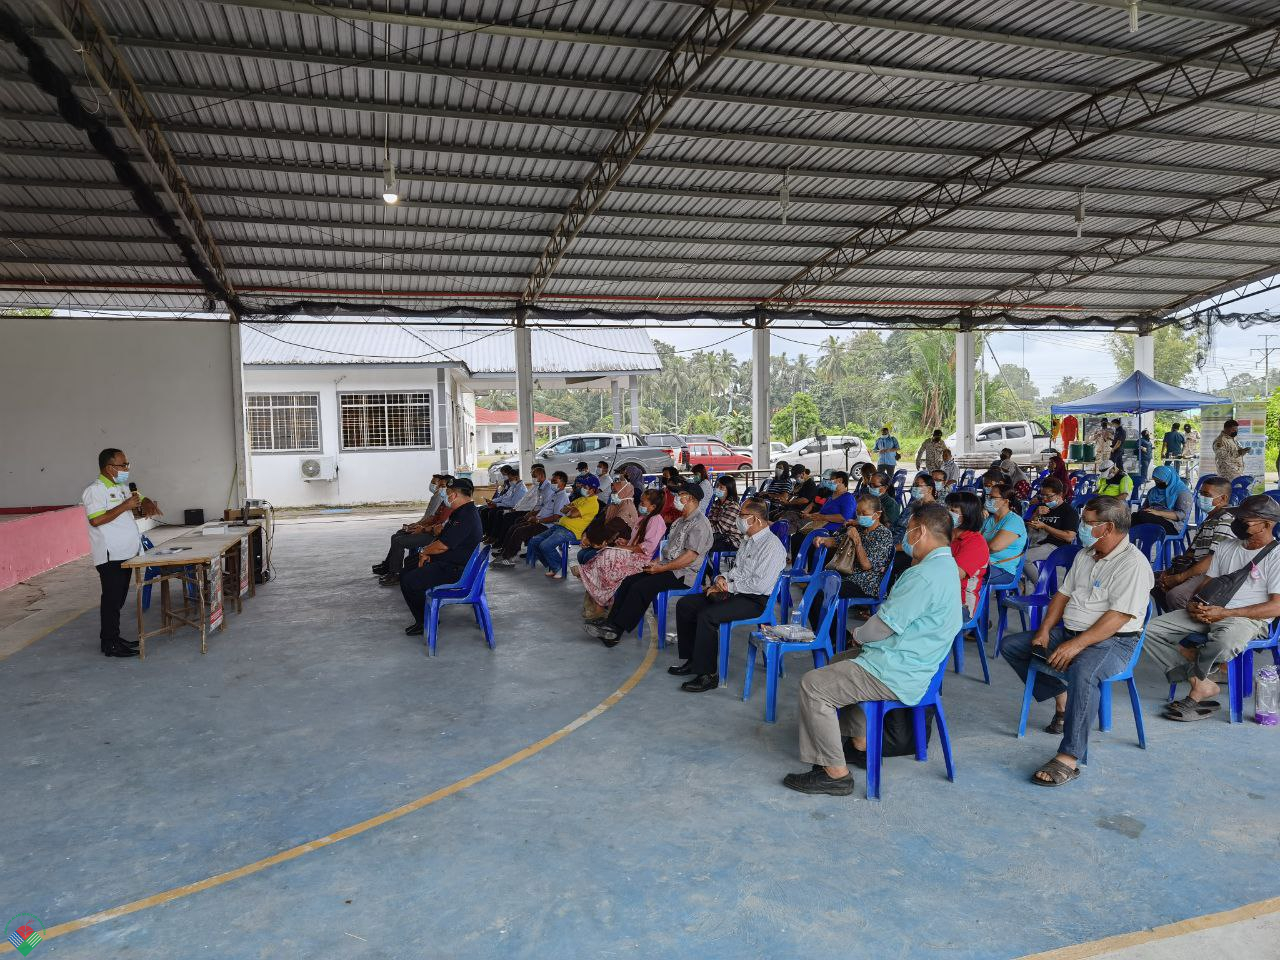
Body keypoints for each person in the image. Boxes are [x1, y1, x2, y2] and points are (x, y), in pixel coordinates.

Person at [782, 503, 962, 796]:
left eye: (909, 531)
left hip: (898, 669)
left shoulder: (923, 576)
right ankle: (860, 742)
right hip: (915, 659)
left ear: (921, 531)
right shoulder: (946, 566)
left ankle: (835, 774)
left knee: (814, 686)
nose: (905, 537)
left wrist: (859, 634)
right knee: (838, 662)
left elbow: (882, 628)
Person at [1000, 496, 1153, 786]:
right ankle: (1064, 702)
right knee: (1015, 647)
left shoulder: (1133, 564)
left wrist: (1077, 645)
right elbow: (1062, 595)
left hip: (1114, 641)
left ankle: (1069, 757)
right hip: (1069, 632)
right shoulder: (1086, 553)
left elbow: (1119, 617)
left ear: (1107, 528)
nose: (1081, 527)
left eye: (1087, 523)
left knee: (1083, 672)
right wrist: (1045, 629)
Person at [1144, 495, 1280, 721]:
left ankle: (1197, 678)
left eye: (1245, 520)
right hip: (1210, 611)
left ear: (1266, 524)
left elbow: (1276, 607)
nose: (1238, 523)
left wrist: (1226, 613)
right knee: (1147, 631)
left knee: (1225, 643)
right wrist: (1194, 603)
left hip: (1246, 618)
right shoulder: (1227, 547)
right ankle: (1201, 680)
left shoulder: (1276, 556)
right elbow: (1207, 584)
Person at [670, 500, 788, 693]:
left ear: (755, 519)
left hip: (756, 600)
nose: (738, 520)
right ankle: (693, 660)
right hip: (736, 592)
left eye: (742, 516)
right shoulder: (748, 540)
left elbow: (760, 585)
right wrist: (721, 578)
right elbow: (736, 570)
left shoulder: (772, 547)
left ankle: (707, 675)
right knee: (686, 604)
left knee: (707, 616)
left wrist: (727, 588)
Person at [587, 483, 714, 647]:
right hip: (668, 566)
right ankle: (610, 623)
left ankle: (615, 631)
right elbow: (669, 550)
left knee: (642, 587)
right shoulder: (680, 521)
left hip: (683, 574)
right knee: (629, 581)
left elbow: (689, 557)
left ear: (690, 498)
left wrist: (662, 568)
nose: (676, 498)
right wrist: (657, 562)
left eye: (679, 494)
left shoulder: (700, 524)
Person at [83, 448, 162, 658]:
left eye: (127, 464)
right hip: (110, 555)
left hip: (127, 552)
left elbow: (140, 498)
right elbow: (96, 520)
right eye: (123, 465)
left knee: (118, 600)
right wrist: (125, 505)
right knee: (111, 600)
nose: (127, 468)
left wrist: (147, 503)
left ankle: (115, 637)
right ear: (109, 468)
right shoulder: (95, 490)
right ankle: (109, 643)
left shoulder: (123, 487)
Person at [400, 478, 483, 636]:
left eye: (449, 493)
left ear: (456, 495)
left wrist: (425, 552)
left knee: (409, 581)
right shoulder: (461, 512)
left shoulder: (466, 516)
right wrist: (428, 553)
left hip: (456, 570)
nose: (447, 496)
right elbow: (442, 538)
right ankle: (424, 614)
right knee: (409, 566)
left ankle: (425, 620)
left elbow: (443, 545)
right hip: (451, 561)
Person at [807, 492, 894, 633]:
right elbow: (838, 540)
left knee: (822, 593)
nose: (860, 516)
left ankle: (835, 638)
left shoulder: (883, 534)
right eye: (858, 512)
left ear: (877, 514)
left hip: (867, 582)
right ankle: (825, 635)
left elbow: (866, 566)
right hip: (848, 576)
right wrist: (823, 540)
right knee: (812, 588)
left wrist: (857, 541)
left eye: (864, 512)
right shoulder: (860, 528)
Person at [579, 489, 668, 620]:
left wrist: (625, 548)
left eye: (643, 503)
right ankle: (598, 601)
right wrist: (625, 542)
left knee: (607, 557)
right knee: (605, 556)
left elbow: (646, 548)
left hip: (641, 560)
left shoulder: (656, 521)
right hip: (633, 555)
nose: (640, 505)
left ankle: (598, 599)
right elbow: (635, 541)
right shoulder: (642, 518)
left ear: (653, 507)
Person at [1152, 478, 1235, 611]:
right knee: (1155, 581)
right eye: (1201, 493)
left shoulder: (1226, 520)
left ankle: (1188, 624)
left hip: (1212, 573)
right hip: (1197, 567)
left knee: (1176, 596)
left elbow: (1211, 560)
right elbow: (1191, 552)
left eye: (1207, 495)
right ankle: (1174, 619)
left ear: (1223, 498)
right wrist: (1170, 572)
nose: (1201, 498)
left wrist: (1179, 578)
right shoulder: (1209, 519)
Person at [373, 472, 453, 585]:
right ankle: (390, 567)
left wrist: (422, 529)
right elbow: (432, 518)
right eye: (439, 485)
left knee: (399, 541)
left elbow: (440, 528)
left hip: (434, 536)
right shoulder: (445, 502)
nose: (440, 488)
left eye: (443, 486)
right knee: (396, 536)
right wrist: (417, 525)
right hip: (429, 530)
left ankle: (395, 573)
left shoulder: (450, 504)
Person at [528, 473, 600, 579]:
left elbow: (571, 513)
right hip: (560, 526)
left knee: (545, 545)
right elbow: (564, 509)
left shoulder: (592, 503)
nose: (582, 488)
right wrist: (570, 510)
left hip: (571, 531)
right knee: (534, 541)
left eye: (585, 487)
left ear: (592, 490)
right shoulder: (581, 500)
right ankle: (553, 565)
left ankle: (559, 568)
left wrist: (571, 511)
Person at [493, 470, 570, 566]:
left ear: (563, 483)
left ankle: (508, 558)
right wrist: (533, 515)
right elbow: (543, 508)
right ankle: (505, 553)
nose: (552, 483)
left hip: (548, 526)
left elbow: (556, 517)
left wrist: (538, 520)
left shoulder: (562, 497)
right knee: (514, 527)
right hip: (540, 521)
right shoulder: (555, 494)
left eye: (555, 482)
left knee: (519, 531)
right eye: (552, 481)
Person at [573, 475, 638, 572]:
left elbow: (610, 530)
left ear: (624, 492)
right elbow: (597, 521)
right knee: (581, 554)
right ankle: (592, 582)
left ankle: (598, 582)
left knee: (589, 556)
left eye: (615, 492)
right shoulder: (612, 506)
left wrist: (591, 541)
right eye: (612, 491)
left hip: (617, 545)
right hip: (605, 540)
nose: (613, 494)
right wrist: (586, 535)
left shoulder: (627, 510)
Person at [945, 490, 989, 618]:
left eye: (953, 511)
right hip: (940, 596)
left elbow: (953, 575)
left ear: (968, 515)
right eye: (947, 508)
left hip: (961, 604)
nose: (948, 513)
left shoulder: (976, 543)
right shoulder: (947, 535)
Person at [791, 470, 855, 556]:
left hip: (833, 531)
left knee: (809, 542)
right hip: (819, 526)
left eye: (831, 480)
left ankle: (813, 568)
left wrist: (823, 517)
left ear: (840, 481)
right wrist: (811, 516)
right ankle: (797, 566)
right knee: (796, 537)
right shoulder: (830, 497)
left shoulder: (848, 498)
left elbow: (844, 518)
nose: (829, 483)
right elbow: (822, 512)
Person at [1023, 477, 1078, 570]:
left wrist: (1045, 526)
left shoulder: (1069, 511)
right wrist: (1036, 514)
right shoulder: (1041, 507)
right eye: (1042, 496)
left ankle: (1041, 584)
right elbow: (1031, 527)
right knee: (1011, 554)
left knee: (1023, 559)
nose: (1045, 499)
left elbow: (1069, 537)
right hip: (1037, 542)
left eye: (1049, 496)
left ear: (1060, 494)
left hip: (1056, 546)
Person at [488, 464, 548, 548]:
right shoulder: (532, 487)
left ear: (541, 474)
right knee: (496, 513)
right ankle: (498, 540)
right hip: (520, 509)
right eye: (532, 474)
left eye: (534, 475)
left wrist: (516, 510)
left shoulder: (541, 488)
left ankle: (503, 544)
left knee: (506, 517)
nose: (532, 477)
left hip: (528, 511)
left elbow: (533, 505)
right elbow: (521, 501)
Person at [981, 480, 1027, 588]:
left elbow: (994, 547)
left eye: (992, 497)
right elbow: (973, 539)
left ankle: (973, 605)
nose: (988, 499)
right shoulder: (988, 519)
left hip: (1002, 569)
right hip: (984, 564)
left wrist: (975, 548)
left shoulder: (1014, 521)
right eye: (988, 496)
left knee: (965, 575)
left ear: (1005, 501)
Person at [1132, 464, 1191, 536]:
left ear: (1169, 479)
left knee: (1141, 516)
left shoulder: (1182, 492)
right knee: (1131, 518)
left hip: (1172, 524)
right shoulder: (1153, 491)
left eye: (1160, 481)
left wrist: (1158, 513)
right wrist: (1146, 510)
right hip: (1151, 518)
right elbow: (1144, 507)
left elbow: (1182, 515)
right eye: (1156, 481)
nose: (1157, 483)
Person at [707, 475, 743, 554]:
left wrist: (704, 531)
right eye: (717, 486)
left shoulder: (733, 506)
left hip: (731, 539)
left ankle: (707, 565)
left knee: (703, 545)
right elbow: (710, 521)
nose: (717, 489)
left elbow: (722, 528)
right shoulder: (716, 503)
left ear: (729, 490)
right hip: (718, 535)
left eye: (721, 487)